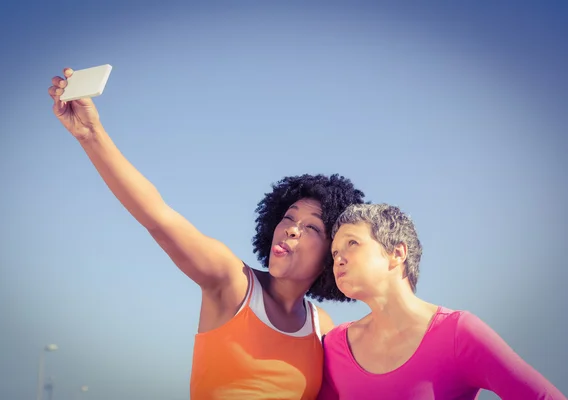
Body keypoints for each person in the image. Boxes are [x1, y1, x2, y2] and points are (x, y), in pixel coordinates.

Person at [48, 67, 366, 399]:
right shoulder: (233, 281)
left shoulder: (322, 327)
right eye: (288, 217)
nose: (292, 230)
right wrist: (90, 133)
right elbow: (158, 217)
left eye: (312, 227)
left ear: (332, 254)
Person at [319, 203, 566, 400]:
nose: (339, 259)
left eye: (352, 243)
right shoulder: (334, 346)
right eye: (335, 253)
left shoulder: (458, 332)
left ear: (397, 253)